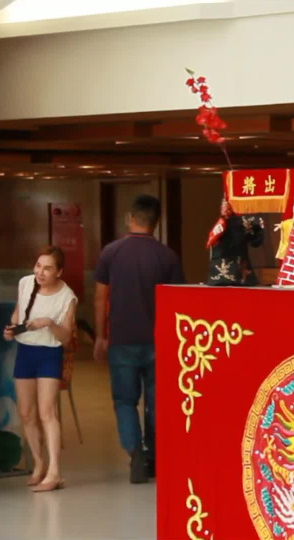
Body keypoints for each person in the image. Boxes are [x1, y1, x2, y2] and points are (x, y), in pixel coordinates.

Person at [94, 195, 184, 483]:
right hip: (159, 341)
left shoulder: (111, 252)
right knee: (156, 402)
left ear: (129, 218)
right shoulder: (167, 256)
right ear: (156, 222)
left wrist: (100, 336)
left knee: (124, 400)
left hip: (121, 339)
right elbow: (177, 303)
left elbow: (100, 297)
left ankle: (135, 454)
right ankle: (154, 457)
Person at [4, 246, 77, 492]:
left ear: (59, 272)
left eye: (47, 268)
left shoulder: (67, 297)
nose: (40, 272)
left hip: (49, 352)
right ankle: (38, 463)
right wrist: (11, 328)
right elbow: (18, 313)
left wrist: (49, 324)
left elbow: (66, 338)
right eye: (38, 266)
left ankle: (54, 471)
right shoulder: (25, 283)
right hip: (25, 350)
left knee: (47, 412)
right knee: (26, 413)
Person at [206, 198, 264, 286]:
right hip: (220, 267)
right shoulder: (221, 223)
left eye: (227, 206)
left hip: (238, 266)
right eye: (223, 205)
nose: (225, 209)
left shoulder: (242, 221)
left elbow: (255, 240)